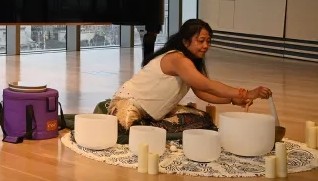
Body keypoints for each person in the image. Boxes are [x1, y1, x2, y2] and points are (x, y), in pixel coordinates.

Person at [108, 18, 273, 132]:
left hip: (153, 114)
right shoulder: (177, 59)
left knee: (203, 119)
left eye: (208, 41)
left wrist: (232, 99)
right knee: (130, 127)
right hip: (127, 107)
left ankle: (153, 126)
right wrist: (247, 93)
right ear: (186, 42)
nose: (206, 45)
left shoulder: (189, 61)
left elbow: (202, 93)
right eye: (201, 41)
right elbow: (206, 85)